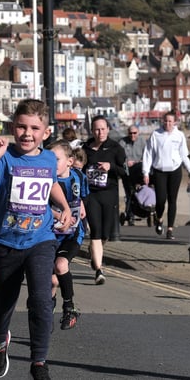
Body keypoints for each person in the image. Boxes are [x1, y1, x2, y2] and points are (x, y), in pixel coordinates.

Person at [0, 98, 73, 380]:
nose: (27, 134)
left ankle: (39, 363)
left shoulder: (49, 158)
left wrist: (64, 206)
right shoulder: (6, 158)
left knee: (40, 299)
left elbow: (51, 182)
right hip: (6, 242)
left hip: (41, 239)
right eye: (21, 127)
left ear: (46, 132)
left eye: (34, 128)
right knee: (4, 301)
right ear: (13, 127)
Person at [46, 139, 89, 331]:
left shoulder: (79, 176)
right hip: (49, 232)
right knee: (52, 280)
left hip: (72, 234)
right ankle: (47, 312)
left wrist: (81, 207)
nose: (51, 164)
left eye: (56, 159)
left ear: (70, 161)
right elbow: (40, 207)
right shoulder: (45, 180)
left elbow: (82, 198)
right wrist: (59, 215)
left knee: (61, 264)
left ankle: (69, 307)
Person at [82, 115, 126, 285]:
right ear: (92, 131)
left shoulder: (116, 148)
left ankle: (95, 252)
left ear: (108, 129)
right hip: (91, 194)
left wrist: (111, 167)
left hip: (109, 194)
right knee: (95, 231)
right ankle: (99, 270)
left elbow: (125, 172)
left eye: (103, 129)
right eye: (96, 129)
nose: (100, 132)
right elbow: (79, 168)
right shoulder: (86, 148)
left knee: (105, 234)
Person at [142, 111, 190, 240]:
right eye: (166, 121)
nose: (168, 123)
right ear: (162, 121)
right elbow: (148, 154)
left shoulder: (179, 135)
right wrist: (145, 172)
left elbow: (184, 154)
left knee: (172, 199)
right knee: (161, 199)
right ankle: (159, 218)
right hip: (159, 171)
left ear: (175, 122)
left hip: (175, 170)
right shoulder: (156, 134)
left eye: (170, 121)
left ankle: (170, 229)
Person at [119, 125, 146, 226]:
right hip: (127, 172)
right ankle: (130, 215)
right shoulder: (122, 142)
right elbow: (119, 156)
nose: (132, 135)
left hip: (139, 170)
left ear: (138, 133)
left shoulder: (143, 142)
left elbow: (147, 156)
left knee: (141, 191)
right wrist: (126, 161)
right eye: (130, 133)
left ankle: (145, 210)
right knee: (129, 193)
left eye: (134, 133)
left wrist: (138, 162)